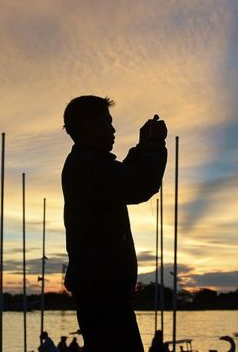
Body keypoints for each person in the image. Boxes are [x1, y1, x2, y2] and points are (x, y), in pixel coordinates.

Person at [62, 95, 167, 352]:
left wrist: (142, 149)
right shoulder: (89, 166)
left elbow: (122, 179)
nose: (113, 130)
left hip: (101, 289)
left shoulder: (88, 165)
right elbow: (138, 185)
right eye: (107, 123)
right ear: (89, 125)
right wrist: (154, 145)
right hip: (103, 291)